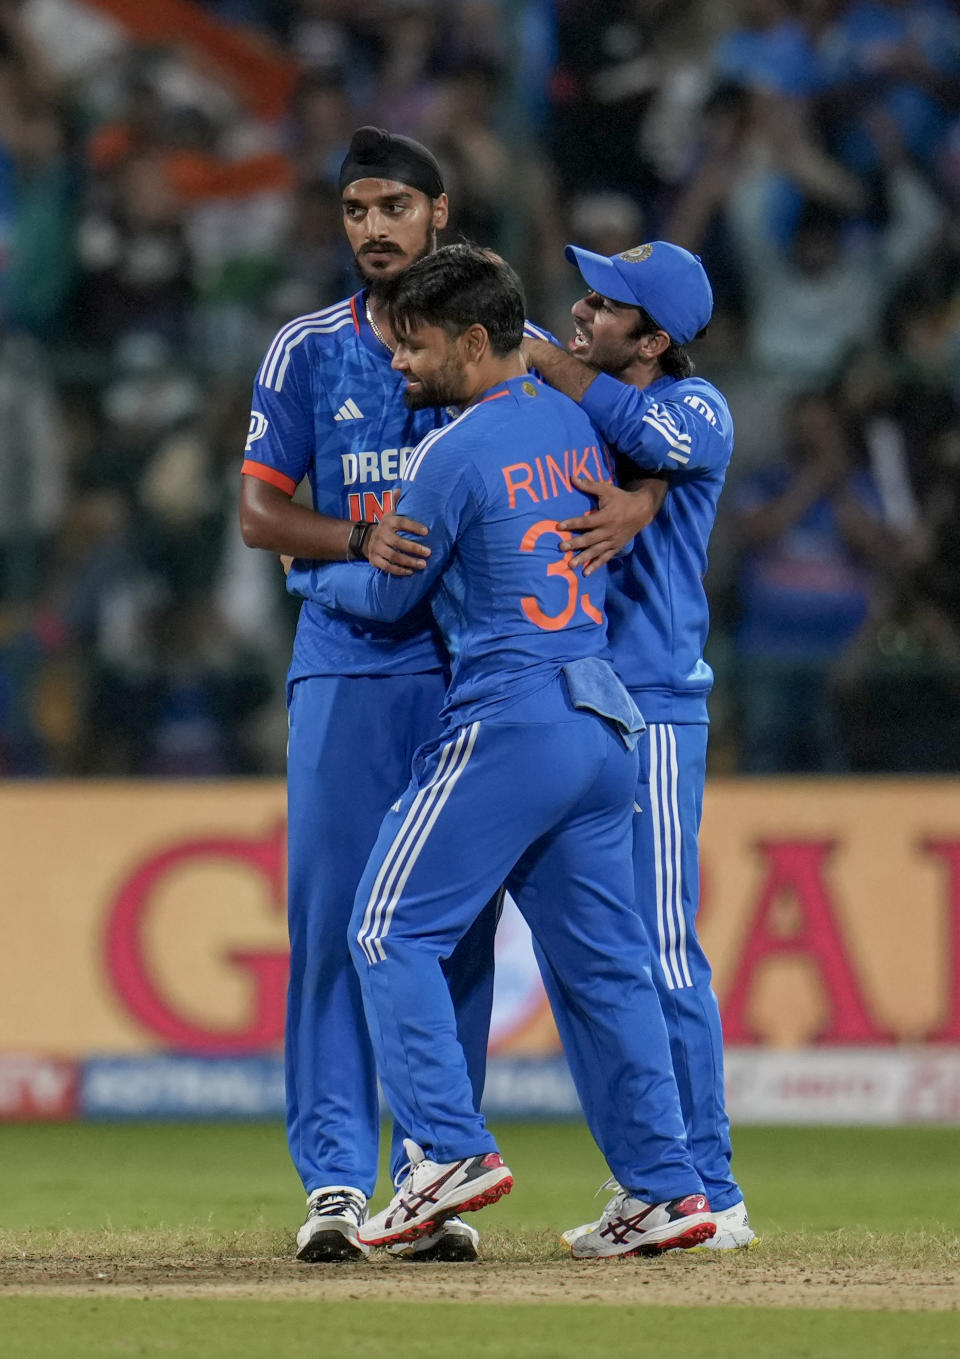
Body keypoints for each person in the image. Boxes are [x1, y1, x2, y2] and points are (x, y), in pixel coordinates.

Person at [286, 242, 718, 1258]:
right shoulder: (580, 427)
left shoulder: (455, 451)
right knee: (610, 972)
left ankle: (445, 1148)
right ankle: (667, 1186)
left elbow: (393, 594)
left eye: (417, 347)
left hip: (512, 717)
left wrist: (310, 577)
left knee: (388, 928)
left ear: (474, 343)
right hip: (604, 722)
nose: (401, 366)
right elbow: (660, 466)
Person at [239, 126, 499, 1263]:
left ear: (441, 214)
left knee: (458, 933)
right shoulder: (305, 350)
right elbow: (258, 513)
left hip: (475, 675)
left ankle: (431, 1172)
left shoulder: (507, 346)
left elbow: (606, 438)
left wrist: (640, 503)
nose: (374, 228)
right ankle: (339, 1183)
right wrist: (355, 536)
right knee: (335, 926)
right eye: (355, 211)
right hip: (349, 667)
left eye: (395, 206)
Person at [523, 240, 755, 1250]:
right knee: (592, 960)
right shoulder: (586, 397)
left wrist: (537, 356)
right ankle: (653, 1180)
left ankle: (714, 1187)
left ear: (654, 338)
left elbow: (644, 430)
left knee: (661, 950)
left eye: (607, 303)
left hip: (653, 708)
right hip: (566, 703)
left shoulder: (700, 411)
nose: (581, 308)